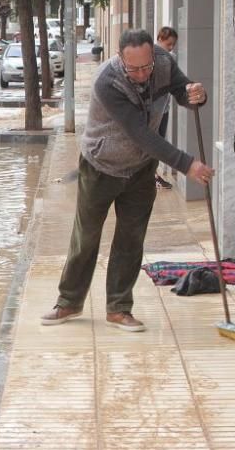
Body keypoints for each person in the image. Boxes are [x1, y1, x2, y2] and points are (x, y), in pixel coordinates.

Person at [40, 28, 213, 332]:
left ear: (153, 55)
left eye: (146, 66)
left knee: (131, 240)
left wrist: (195, 94)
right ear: (120, 59)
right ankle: (68, 301)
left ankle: (119, 308)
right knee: (86, 237)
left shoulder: (163, 62)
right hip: (100, 166)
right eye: (134, 68)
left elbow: (182, 89)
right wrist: (186, 164)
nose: (143, 74)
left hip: (141, 170)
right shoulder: (108, 81)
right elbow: (141, 133)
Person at [154, 26, 179, 189]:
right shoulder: (150, 57)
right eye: (168, 44)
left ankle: (153, 175)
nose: (171, 48)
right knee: (152, 144)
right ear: (160, 39)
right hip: (152, 111)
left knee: (159, 143)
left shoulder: (171, 58)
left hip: (165, 109)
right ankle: (152, 176)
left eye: (173, 45)